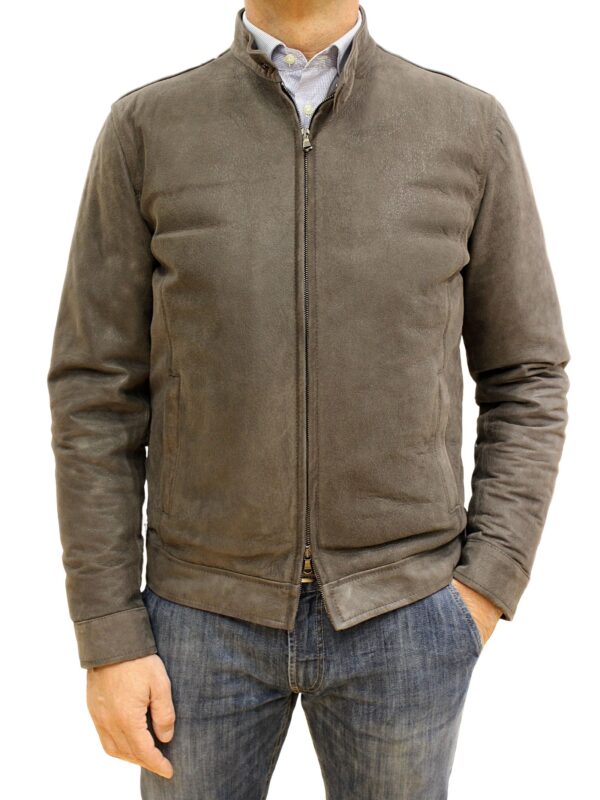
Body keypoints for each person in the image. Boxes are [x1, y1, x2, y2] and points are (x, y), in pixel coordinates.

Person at [46, 2, 570, 798]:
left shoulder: (468, 126)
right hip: (198, 615)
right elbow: (95, 392)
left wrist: (487, 583)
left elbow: (526, 374)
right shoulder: (148, 127)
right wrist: (109, 634)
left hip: (406, 611)